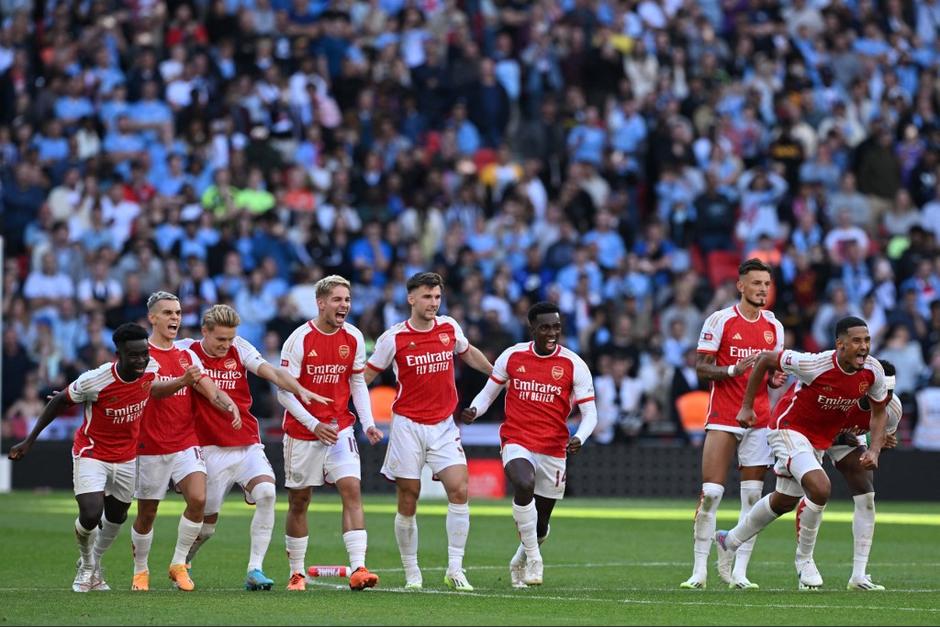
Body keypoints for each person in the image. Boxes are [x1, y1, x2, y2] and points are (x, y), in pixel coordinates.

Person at [8, 323, 199, 592]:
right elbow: (59, 401)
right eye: (134, 355)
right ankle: (87, 567)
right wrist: (29, 441)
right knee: (90, 512)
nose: (142, 360)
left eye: (144, 353)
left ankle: (94, 564)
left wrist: (181, 382)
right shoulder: (97, 379)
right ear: (118, 354)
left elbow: (154, 389)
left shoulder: (151, 369)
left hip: (126, 456)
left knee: (117, 516)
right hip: (92, 452)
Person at [715, 316, 889, 590]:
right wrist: (747, 406)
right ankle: (804, 561)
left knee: (783, 501)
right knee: (820, 488)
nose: (864, 347)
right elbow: (765, 359)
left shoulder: (873, 371)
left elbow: (880, 412)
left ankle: (730, 540)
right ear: (840, 345)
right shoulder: (814, 363)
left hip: (821, 439)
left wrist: (875, 449)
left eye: (866, 340)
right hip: (789, 429)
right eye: (856, 341)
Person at [177, 304, 329, 591]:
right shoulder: (188, 352)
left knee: (267, 492)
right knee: (206, 526)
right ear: (204, 332)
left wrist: (300, 388)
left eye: (230, 339)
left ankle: (254, 568)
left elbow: (270, 372)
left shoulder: (240, 347)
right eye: (220, 339)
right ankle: (182, 562)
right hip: (208, 446)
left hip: (246, 442)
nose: (226, 345)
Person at [363, 271, 493, 591]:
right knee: (409, 497)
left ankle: (455, 568)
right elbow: (366, 374)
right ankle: (412, 573)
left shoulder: (449, 327)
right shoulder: (392, 338)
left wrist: (496, 374)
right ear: (411, 299)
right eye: (426, 297)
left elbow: (468, 351)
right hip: (407, 424)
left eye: (437, 297)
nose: (433, 303)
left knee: (459, 489)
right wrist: (343, 405)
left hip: (443, 425)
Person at [460, 301, 598, 587]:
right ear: (532, 327)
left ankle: (519, 559)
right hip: (517, 439)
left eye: (556, 327)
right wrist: (474, 410)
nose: (551, 333)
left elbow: (591, 413)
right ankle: (535, 558)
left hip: (554, 447)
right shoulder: (512, 356)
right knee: (524, 483)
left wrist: (579, 437)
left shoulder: (574, 364)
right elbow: (488, 394)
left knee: (541, 523)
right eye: (545, 327)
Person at [681, 259, 786, 590]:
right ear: (741, 286)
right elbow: (701, 367)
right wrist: (731, 371)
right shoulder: (721, 320)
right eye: (756, 284)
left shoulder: (774, 326)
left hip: (760, 419)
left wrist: (774, 378)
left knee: (753, 497)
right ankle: (699, 571)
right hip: (724, 415)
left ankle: (738, 571)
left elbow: (769, 375)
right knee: (711, 493)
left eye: (766, 285)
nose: (762, 290)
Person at [277, 275, 385, 592]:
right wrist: (313, 424)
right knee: (300, 501)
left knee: (352, 489)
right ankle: (297, 573)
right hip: (303, 432)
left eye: (347, 300)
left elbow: (357, 383)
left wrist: (367, 423)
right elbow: (284, 393)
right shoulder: (299, 340)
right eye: (337, 300)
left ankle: (359, 567)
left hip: (339, 428)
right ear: (321, 303)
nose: (344, 306)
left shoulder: (352, 337)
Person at [130, 291, 242, 592]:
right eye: (168, 313)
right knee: (147, 513)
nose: (175, 318)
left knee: (198, 499)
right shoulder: (143, 354)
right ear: (153, 317)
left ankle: (179, 563)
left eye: (178, 313)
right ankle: (140, 569)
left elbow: (207, 386)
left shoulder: (187, 354)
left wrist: (228, 403)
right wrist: (183, 381)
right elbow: (154, 390)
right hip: (151, 444)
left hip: (184, 440)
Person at [775, 358, 902, 591]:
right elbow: (814, 427)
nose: (882, 399)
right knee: (794, 497)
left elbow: (882, 439)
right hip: (816, 436)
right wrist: (846, 438)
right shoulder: (846, 392)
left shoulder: (892, 410)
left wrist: (878, 444)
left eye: (888, 394)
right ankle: (806, 562)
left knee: (866, 495)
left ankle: (859, 576)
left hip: (847, 442)